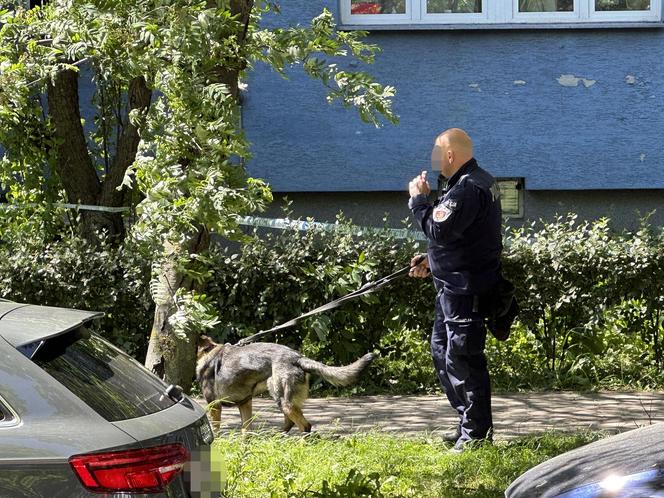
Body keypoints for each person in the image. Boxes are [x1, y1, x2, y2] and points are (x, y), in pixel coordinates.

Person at [407, 128, 502, 452]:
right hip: (452, 289)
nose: (434, 160)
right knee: (443, 354)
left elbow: (438, 229)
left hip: (465, 291)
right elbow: (465, 238)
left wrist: (418, 200)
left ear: (449, 154)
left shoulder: (468, 188)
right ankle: (467, 426)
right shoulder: (469, 183)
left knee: (463, 359)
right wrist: (431, 260)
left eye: (437, 152)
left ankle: (476, 436)